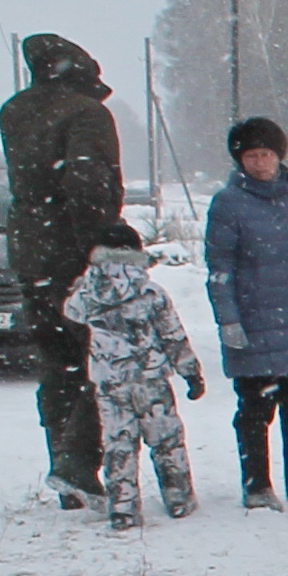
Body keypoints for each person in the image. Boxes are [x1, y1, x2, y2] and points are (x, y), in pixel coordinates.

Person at [0, 32, 123, 507]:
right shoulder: (86, 113)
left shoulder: (15, 110)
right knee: (102, 355)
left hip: (30, 252)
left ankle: (64, 465)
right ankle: (78, 459)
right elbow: (89, 185)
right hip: (75, 253)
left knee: (57, 362)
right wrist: (101, 247)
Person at [204, 116, 288, 512]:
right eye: (251, 156)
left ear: (279, 156)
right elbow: (219, 267)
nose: (260, 163)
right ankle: (257, 486)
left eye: (266, 154)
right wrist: (227, 318)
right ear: (239, 160)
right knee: (255, 410)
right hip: (255, 322)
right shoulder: (228, 204)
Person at [67, 219, 204, 526]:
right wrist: (190, 372)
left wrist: (85, 281)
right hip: (151, 379)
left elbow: (71, 312)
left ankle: (123, 508)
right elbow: (173, 335)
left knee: (119, 443)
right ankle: (178, 497)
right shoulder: (151, 292)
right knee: (166, 440)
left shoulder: (88, 293)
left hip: (110, 383)